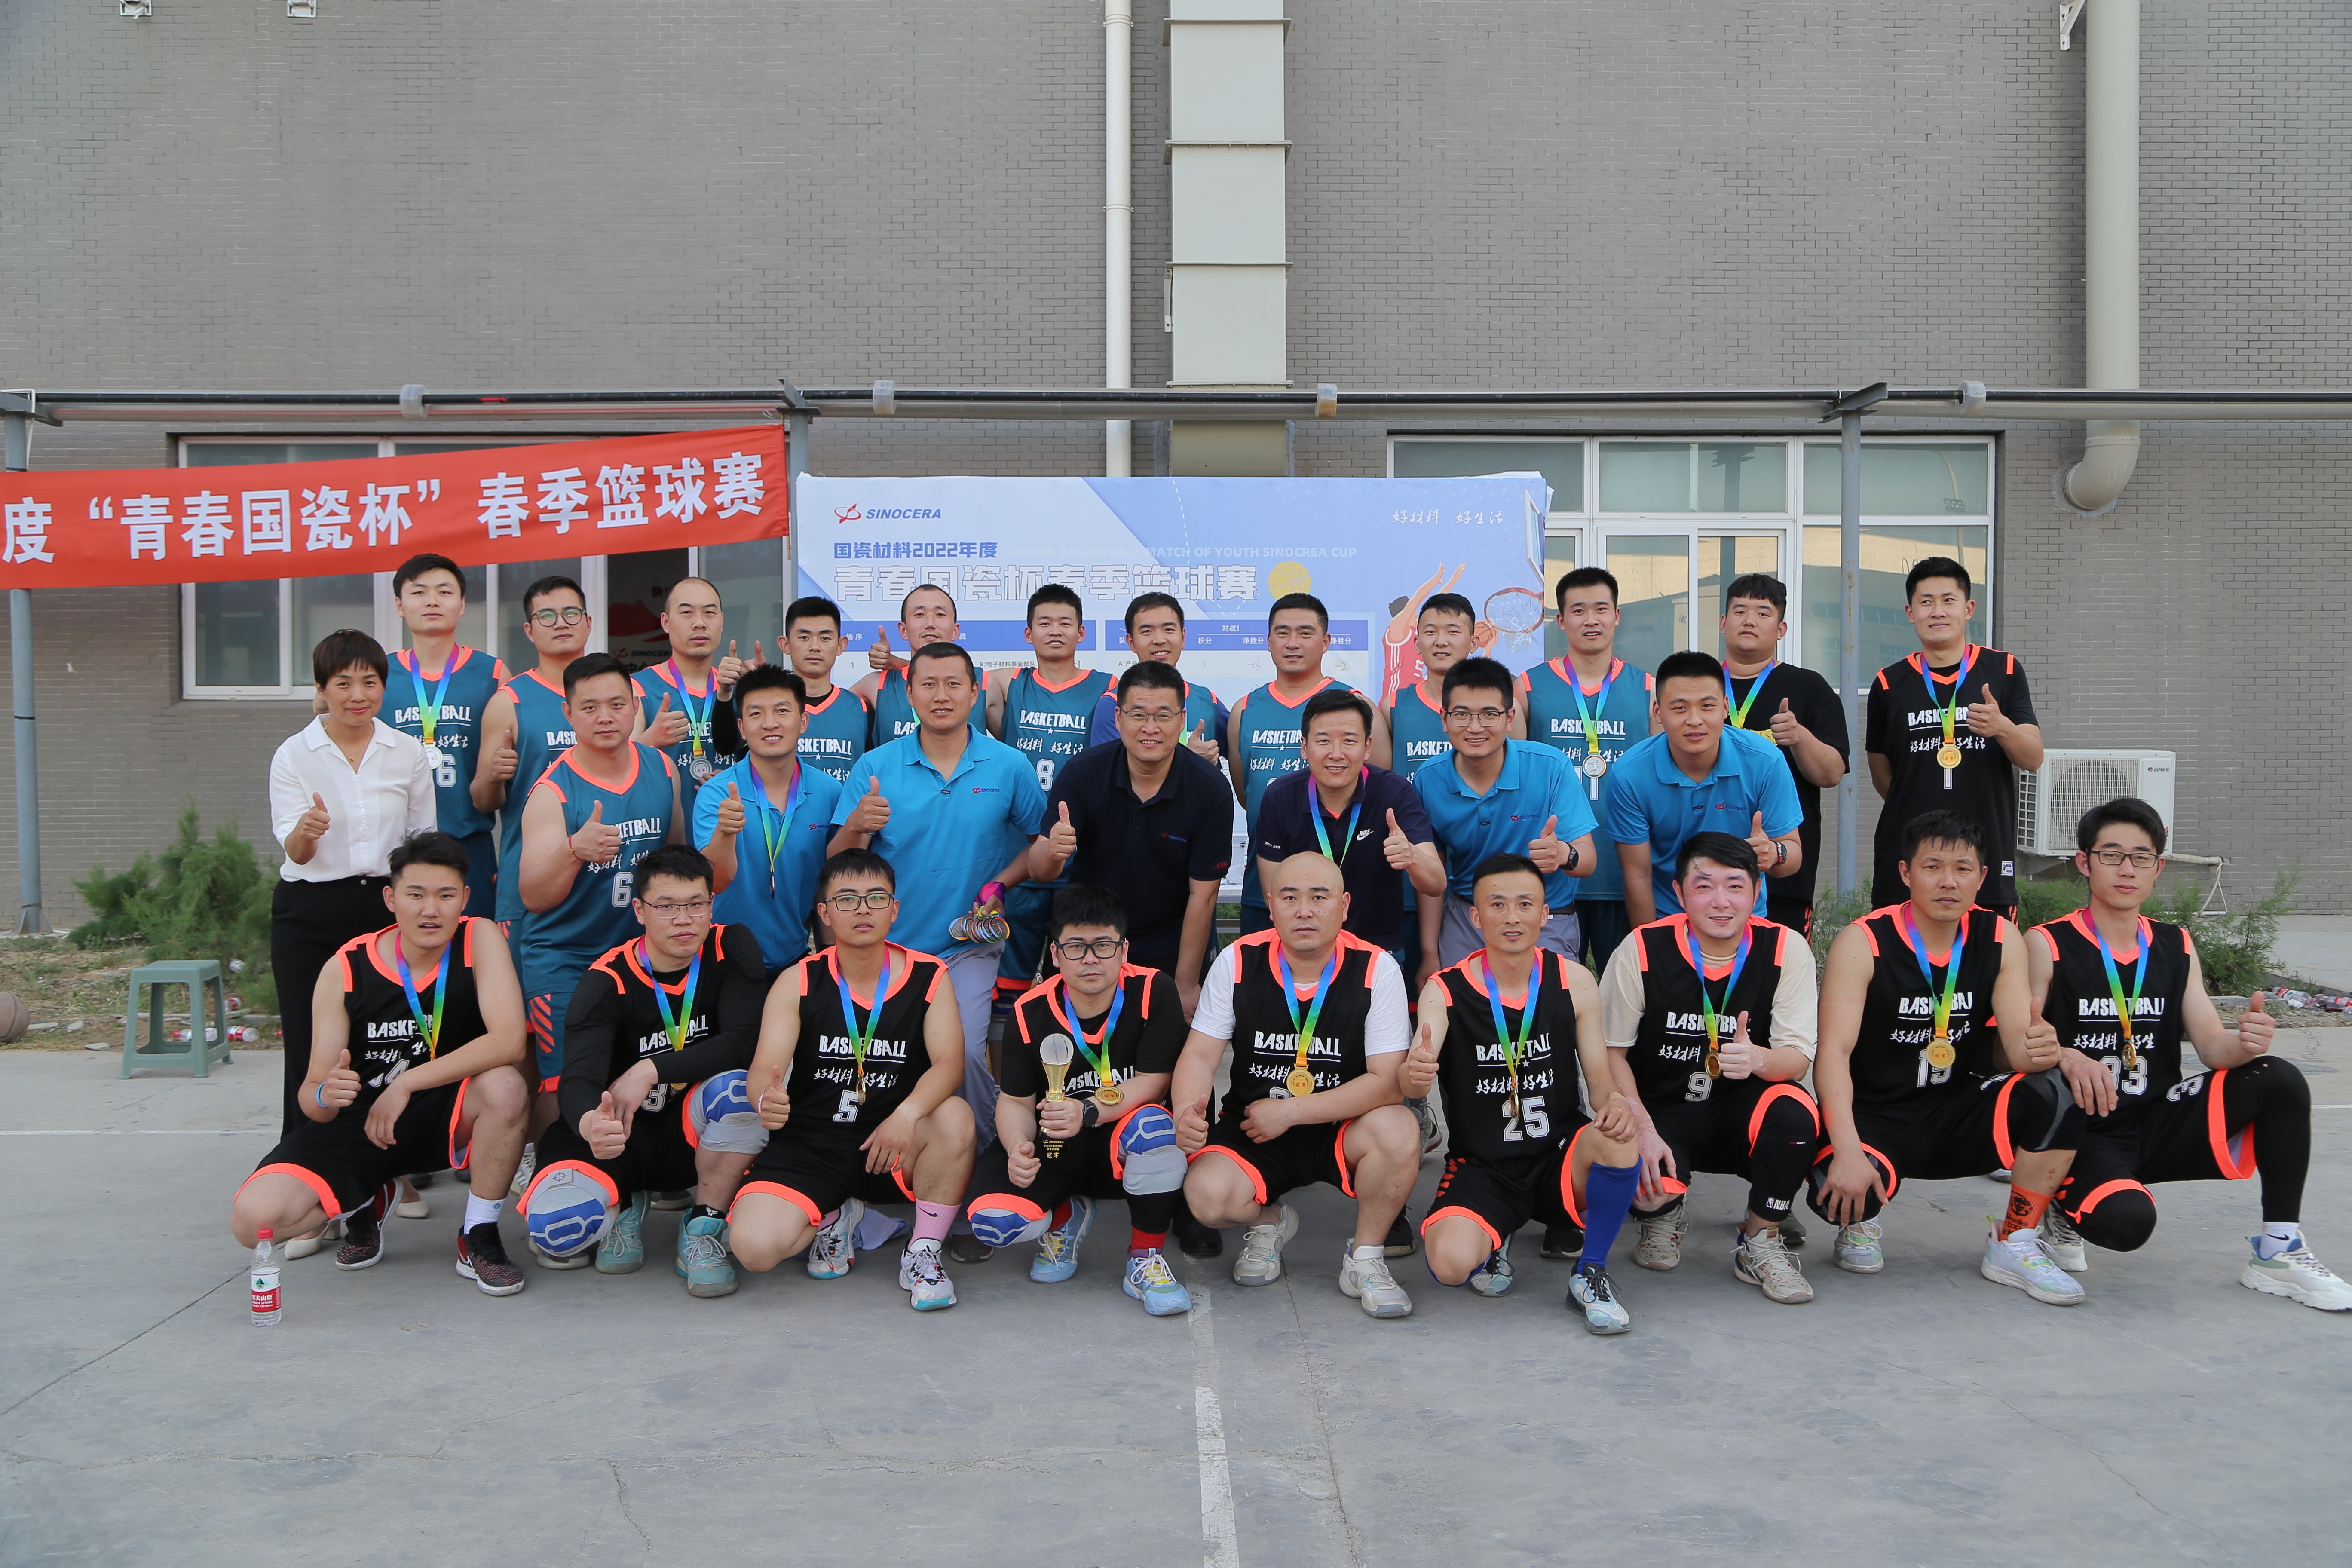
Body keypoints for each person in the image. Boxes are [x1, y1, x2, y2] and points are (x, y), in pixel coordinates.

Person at [2029, 797, 2348, 1310]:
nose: (2127, 869)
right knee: (2128, 1223)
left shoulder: (2175, 944)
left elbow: (2213, 1048)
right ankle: (2061, 1206)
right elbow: (2019, 1043)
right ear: (2084, 863)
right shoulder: (2048, 943)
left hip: (2157, 1117)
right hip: (2086, 1131)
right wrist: (2066, 1055)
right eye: (2112, 855)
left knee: (2278, 1077)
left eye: (2142, 857)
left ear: (2158, 867)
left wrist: (2245, 1043)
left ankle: (2279, 1249)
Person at [232, 830, 531, 1295]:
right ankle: (365, 1197)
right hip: (366, 1122)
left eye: (446, 895)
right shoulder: (345, 968)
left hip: (449, 1112)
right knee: (255, 1224)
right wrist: (325, 1094)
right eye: (416, 895)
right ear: (391, 899)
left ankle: (479, 1233)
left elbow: (509, 1042)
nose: (431, 910)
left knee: (506, 1086)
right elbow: (312, 1097)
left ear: (464, 899)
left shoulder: (479, 938)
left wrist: (407, 1083)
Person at [1809, 809, 2086, 1305]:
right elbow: (1833, 1054)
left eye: (1963, 868)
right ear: (1905, 873)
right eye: (1933, 867)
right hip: (1876, 1117)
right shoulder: (1863, 941)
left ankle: (2015, 1239)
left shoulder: (1999, 937)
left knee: (2056, 1091)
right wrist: (1847, 1151)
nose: (1948, 882)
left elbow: (2018, 1049)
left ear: (1982, 877)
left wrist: (2048, 1049)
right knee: (1835, 1195)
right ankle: (1860, 1222)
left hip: (1957, 1109)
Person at [1173, 852, 1422, 1318]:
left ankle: (1365, 1258)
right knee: (1207, 1197)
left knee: (1400, 1127)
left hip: (1342, 1127)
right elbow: (1200, 1054)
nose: (1304, 911)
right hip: (1255, 1127)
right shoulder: (1238, 960)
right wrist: (1186, 1110)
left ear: (1344, 906)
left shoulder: (1377, 968)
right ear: (1270, 906)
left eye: (1319, 897)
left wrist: (1291, 1112)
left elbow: (1388, 1084)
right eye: (1290, 898)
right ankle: (1271, 1222)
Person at [1405, 853, 1645, 1335]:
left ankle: (1591, 1272)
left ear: (1545, 913)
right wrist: (1416, 1074)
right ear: (1476, 917)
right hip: (1485, 1165)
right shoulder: (1444, 989)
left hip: (1558, 1155)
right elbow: (1414, 1077)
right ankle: (1495, 1236)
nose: (1511, 917)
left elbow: (1600, 1080)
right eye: (1497, 905)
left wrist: (1617, 1103)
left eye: (1524, 904)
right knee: (1450, 1265)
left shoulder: (1575, 979)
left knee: (1621, 1136)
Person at [729, 849, 979, 1311]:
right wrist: (765, 1097)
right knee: (753, 1250)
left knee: (955, 1117)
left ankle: (923, 1251)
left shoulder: (929, 975)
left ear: (894, 909)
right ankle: (836, 1217)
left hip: (892, 1143)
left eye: (876, 898)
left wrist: (907, 1115)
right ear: (824, 913)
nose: (863, 909)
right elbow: (765, 1067)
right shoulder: (798, 980)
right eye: (846, 899)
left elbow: (949, 1064)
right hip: (811, 1145)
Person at [830, 642, 1048, 1171]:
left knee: (967, 1054)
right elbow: (836, 864)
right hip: (888, 950)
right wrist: (857, 824)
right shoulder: (876, 766)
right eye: (928, 684)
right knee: (882, 1059)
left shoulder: (1009, 765)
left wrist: (1001, 883)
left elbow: (1040, 850)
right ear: (909, 694)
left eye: (954, 684)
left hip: (965, 946)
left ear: (975, 693)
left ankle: (981, 1163)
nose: (941, 695)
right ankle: (883, 1164)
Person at [519, 846, 772, 1295]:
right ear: (639, 910)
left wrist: (650, 1069)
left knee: (740, 1090)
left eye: (696, 904)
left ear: (711, 905)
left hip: (691, 1134)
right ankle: (626, 1201)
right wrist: (591, 1124)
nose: (684, 919)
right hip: (622, 1135)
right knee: (557, 1231)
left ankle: (703, 1227)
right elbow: (578, 1078)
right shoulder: (607, 979)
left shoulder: (730, 947)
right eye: (666, 907)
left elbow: (744, 1041)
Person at [1599, 833, 1821, 1305]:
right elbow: (1610, 1053)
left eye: (1735, 886)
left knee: (1797, 1113)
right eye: (1704, 886)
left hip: (1741, 1109)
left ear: (1757, 891)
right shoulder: (1642, 948)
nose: (1721, 902)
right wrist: (1640, 1127)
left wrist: (1758, 1059)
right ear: (1679, 893)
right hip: (1662, 1109)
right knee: (1625, 1151)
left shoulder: (1786, 948)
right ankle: (1664, 1213)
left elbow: (1798, 1060)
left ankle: (1760, 1239)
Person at [965, 885, 1194, 1314]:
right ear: (1055, 955)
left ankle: (1144, 1258)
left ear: (1124, 950)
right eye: (1075, 947)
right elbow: (1015, 1101)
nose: (1090, 959)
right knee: (993, 1222)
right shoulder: (1029, 1010)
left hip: (1119, 1144)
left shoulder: (1152, 989)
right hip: (1054, 1144)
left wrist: (1089, 1110)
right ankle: (1064, 1217)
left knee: (1155, 1127)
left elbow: (1156, 1080)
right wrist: (1017, 1146)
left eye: (1103, 945)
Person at [267, 630, 439, 1158]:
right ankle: (304, 1160)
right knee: (310, 1043)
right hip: (310, 911)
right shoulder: (294, 755)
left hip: (385, 908)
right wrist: (308, 831)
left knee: (387, 1038)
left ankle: (392, 1164)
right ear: (322, 689)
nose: (358, 695)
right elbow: (296, 852)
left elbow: (421, 843)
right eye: (343, 683)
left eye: (369, 682)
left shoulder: (406, 752)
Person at [517, 653, 682, 1124]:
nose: (605, 717)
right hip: (567, 956)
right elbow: (533, 896)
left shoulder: (661, 768)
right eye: (589, 708)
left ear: (635, 706)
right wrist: (573, 850)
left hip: (639, 954)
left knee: (637, 1075)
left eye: (616, 704)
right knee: (565, 1083)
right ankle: (553, 1160)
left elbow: (677, 862)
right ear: (568, 714)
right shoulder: (553, 791)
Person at [1030, 662, 1233, 1009]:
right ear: (1118, 718)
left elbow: (1203, 896)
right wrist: (1052, 851)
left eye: (1164, 716)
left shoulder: (1210, 789)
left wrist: (1185, 985)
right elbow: (1039, 871)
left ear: (1182, 720)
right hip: (1087, 939)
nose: (1150, 728)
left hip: (1168, 944)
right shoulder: (1082, 772)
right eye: (1138, 715)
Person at [1865, 557, 2043, 918]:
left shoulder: (2004, 670)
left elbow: (2032, 758)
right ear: (1910, 613)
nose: (1938, 612)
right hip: (1910, 853)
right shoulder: (1888, 682)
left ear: (1969, 608)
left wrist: (2003, 728)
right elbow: (1884, 777)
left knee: (1990, 951)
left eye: (1949, 600)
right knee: (1900, 951)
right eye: (1926, 602)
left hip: (1985, 853)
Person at [1413, 657, 1598, 976]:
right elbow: (1433, 878)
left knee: (1552, 1001)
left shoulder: (1550, 767)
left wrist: (1563, 854)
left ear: (1510, 718)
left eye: (1489, 714)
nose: (1475, 727)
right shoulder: (1429, 779)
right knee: (1459, 1001)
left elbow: (1588, 861)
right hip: (1469, 915)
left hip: (1545, 916)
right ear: (1444, 719)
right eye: (1462, 714)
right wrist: (1430, 954)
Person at [1604, 650, 1804, 928]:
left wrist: (1774, 852)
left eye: (1707, 706)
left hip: (1745, 921)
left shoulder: (1765, 761)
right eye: (1680, 708)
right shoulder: (1630, 774)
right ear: (1658, 712)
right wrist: (1650, 945)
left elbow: (1792, 856)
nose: (1695, 720)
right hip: (1669, 920)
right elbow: (1638, 875)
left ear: (1725, 707)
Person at [1228, 593, 1389, 935]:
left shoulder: (1358, 706)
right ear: (1268, 641)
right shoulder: (1245, 709)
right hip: (1266, 888)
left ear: (1326, 642)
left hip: (1346, 894)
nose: (1293, 643)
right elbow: (1247, 794)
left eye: (1305, 633)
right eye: (1283, 633)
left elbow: (1380, 789)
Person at [1253, 687, 1443, 974]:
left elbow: (1436, 884)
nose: (1336, 754)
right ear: (1304, 747)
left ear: (1367, 747)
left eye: (1349, 741)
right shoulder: (1279, 797)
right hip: (1305, 954)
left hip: (1378, 952)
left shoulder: (1395, 793)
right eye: (1324, 741)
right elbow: (1276, 895)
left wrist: (1412, 857)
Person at [1521, 567, 1655, 969]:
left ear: (1617, 616)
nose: (1591, 620)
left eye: (1601, 609)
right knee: (1555, 991)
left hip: (1624, 870)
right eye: (1578, 611)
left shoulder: (1648, 688)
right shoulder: (1527, 687)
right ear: (1561, 620)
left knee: (1630, 989)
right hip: (1555, 873)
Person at [988, 584, 1116, 1004]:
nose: (1056, 631)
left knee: (1078, 989)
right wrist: (899, 664)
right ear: (1029, 634)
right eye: (1045, 623)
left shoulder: (1108, 686)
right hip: (1021, 860)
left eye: (1066, 623)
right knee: (1007, 994)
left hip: (1082, 865)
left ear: (1082, 633)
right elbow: (948, 680)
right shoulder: (1010, 683)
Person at [1717, 573, 1847, 935]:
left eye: (1763, 613)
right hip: (1706, 871)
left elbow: (1832, 774)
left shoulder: (1810, 687)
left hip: (1783, 870)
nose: (1749, 620)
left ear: (1781, 629)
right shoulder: (1700, 686)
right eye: (1740, 611)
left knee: (1780, 965)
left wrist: (1800, 738)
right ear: (1723, 623)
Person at [695, 665, 843, 972]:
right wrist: (725, 831)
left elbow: (830, 884)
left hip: (795, 958)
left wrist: (830, 962)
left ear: (803, 721)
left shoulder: (829, 792)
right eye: (756, 714)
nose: (770, 723)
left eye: (782, 711)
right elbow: (715, 882)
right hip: (725, 964)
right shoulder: (716, 794)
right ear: (741, 727)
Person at [383, 554, 508, 916]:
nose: (432, 601)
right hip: (398, 843)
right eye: (419, 592)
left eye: (444, 591)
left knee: (474, 940)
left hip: (469, 839)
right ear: (399, 605)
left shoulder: (493, 673)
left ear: (462, 604)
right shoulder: (379, 674)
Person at [475, 574, 591, 938]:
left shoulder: (619, 695)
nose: (561, 623)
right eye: (547, 616)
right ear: (529, 630)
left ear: (589, 623)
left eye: (571, 613)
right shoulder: (509, 701)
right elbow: (482, 801)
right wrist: (494, 776)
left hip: (604, 877)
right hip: (531, 877)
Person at [632, 576, 751, 824]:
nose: (699, 623)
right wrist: (650, 741)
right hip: (665, 835)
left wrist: (732, 779)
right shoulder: (638, 688)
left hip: (732, 830)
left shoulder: (740, 688)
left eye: (709, 613)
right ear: (666, 622)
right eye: (687, 613)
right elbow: (616, 768)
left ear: (722, 621)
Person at [1085, 591, 1228, 763]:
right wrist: (1191, 761)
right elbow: (1108, 771)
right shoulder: (1112, 703)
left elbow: (1244, 755)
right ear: (1131, 642)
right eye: (1147, 631)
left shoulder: (1207, 700)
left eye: (1169, 630)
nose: (1160, 640)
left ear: (1183, 637)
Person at [855, 584, 990, 745]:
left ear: (956, 631)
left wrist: (893, 661)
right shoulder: (876, 684)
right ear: (903, 630)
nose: (930, 623)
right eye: (920, 614)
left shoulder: (985, 683)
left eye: (940, 614)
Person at [1382, 590, 1488, 772]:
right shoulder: (1393, 707)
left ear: (1473, 643)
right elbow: (1381, 781)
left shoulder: (1501, 707)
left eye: (1453, 632)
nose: (1441, 642)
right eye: (1431, 632)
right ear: (1417, 644)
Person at [782, 595, 872, 781]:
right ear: (786, 644)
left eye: (825, 638)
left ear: (841, 645)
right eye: (804, 637)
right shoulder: (769, 707)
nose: (814, 647)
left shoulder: (862, 709)